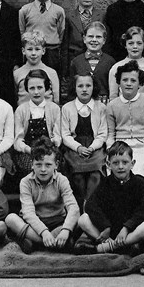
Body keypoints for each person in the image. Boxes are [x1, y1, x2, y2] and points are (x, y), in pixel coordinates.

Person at [76, 141, 144, 254]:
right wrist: (105, 226)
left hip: (130, 231)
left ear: (132, 163)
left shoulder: (140, 183)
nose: (120, 167)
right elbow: (91, 205)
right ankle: (118, 245)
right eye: (115, 163)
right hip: (109, 231)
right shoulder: (105, 183)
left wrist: (127, 227)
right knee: (83, 219)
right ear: (108, 165)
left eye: (125, 162)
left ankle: (108, 247)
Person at [6, 137, 79, 253]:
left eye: (48, 165)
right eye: (38, 165)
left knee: (76, 221)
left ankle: (35, 242)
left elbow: (73, 207)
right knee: (11, 219)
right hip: (34, 222)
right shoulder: (25, 182)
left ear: (56, 165)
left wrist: (65, 229)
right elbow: (28, 213)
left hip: (57, 221)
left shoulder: (62, 180)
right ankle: (49, 243)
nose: (43, 169)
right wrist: (44, 232)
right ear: (32, 165)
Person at [61, 72, 107, 209]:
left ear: (94, 87)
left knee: (96, 172)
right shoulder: (67, 108)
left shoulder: (101, 107)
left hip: (95, 147)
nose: (84, 89)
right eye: (80, 86)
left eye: (88, 85)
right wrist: (78, 148)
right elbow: (65, 134)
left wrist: (92, 147)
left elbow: (102, 133)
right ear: (74, 88)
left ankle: (89, 204)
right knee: (78, 175)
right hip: (75, 147)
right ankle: (80, 205)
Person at [106, 60, 144, 179]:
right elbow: (111, 133)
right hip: (119, 145)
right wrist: (110, 150)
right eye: (125, 80)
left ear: (140, 84)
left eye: (133, 80)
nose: (128, 84)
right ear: (119, 82)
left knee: (142, 175)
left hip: (142, 145)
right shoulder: (112, 105)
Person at [13, 69, 61, 174]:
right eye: (32, 88)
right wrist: (28, 150)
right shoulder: (21, 110)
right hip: (28, 152)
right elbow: (18, 140)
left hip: (49, 151)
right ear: (27, 89)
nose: (36, 92)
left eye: (40, 87)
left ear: (46, 88)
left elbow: (57, 136)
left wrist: (49, 148)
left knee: (49, 166)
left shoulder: (54, 109)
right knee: (31, 168)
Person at [18, 0, 65, 73]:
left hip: (52, 52)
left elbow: (61, 32)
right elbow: (22, 31)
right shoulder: (25, 10)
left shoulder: (58, 11)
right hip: (32, 51)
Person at [62, 0, 105, 81]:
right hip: (74, 60)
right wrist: (65, 70)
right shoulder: (68, 16)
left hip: (96, 60)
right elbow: (65, 45)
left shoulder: (102, 15)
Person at [69, 21, 115, 103]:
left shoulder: (110, 62)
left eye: (98, 37)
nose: (94, 40)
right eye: (90, 36)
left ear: (104, 40)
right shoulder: (76, 62)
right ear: (84, 39)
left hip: (104, 104)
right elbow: (71, 88)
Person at [108, 26, 144, 101]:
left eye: (139, 43)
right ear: (125, 45)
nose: (135, 46)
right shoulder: (116, 67)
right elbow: (113, 97)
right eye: (131, 43)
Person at [14, 30, 60, 105]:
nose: (33, 53)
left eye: (37, 49)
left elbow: (56, 100)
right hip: (24, 114)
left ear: (43, 50)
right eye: (29, 49)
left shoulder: (51, 72)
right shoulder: (17, 73)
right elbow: (15, 97)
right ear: (23, 51)